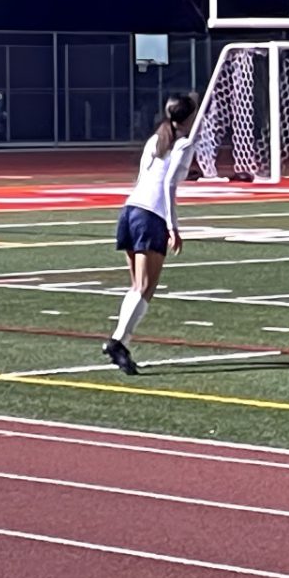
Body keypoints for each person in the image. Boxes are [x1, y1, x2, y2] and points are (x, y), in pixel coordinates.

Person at [103, 94, 199, 375]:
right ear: (188, 118)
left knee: (138, 286)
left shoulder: (156, 139)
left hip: (131, 209)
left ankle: (120, 340)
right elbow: (168, 185)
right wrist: (173, 227)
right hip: (150, 215)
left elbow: (150, 175)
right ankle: (118, 341)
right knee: (145, 287)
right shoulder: (183, 144)